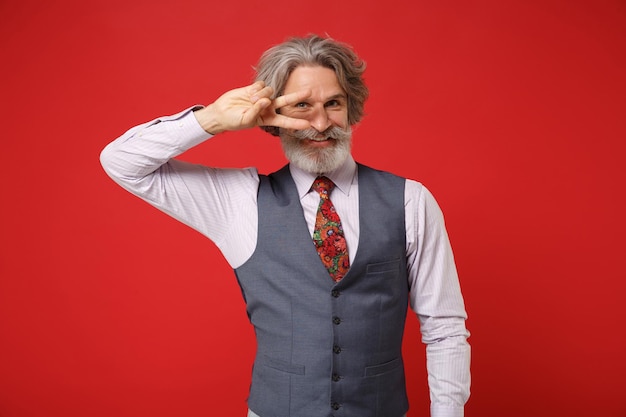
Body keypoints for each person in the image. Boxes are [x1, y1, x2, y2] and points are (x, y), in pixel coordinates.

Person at [100, 34, 470, 417]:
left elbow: (444, 327)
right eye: (301, 106)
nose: (321, 122)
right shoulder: (239, 202)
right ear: (271, 115)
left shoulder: (410, 201)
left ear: (351, 107)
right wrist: (212, 119)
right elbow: (121, 162)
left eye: (333, 103)